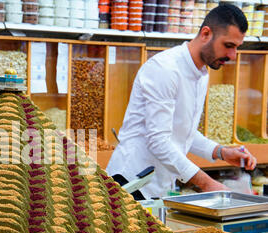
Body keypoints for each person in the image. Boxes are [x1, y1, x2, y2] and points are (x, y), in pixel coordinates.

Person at [106, 4, 257, 200]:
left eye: (237, 48)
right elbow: (158, 140)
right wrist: (207, 182)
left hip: (160, 186)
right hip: (130, 184)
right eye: (228, 45)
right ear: (205, 33)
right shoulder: (165, 69)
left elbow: (183, 131)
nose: (232, 56)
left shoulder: (202, 74)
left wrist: (221, 152)